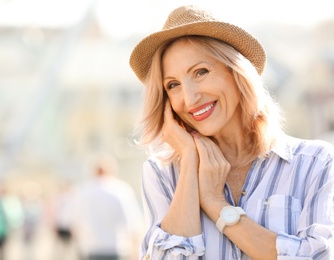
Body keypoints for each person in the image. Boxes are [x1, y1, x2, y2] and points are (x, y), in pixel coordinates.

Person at [129, 5, 334, 260]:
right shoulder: (162, 175)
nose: (190, 98)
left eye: (200, 72)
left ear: (237, 71)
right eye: (173, 85)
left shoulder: (314, 163)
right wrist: (190, 166)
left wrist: (216, 204)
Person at [72, 154, 143, 260]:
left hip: (91, 248)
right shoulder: (121, 190)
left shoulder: (83, 191)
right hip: (115, 248)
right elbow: (133, 224)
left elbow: (75, 224)